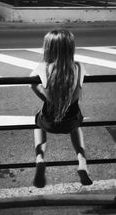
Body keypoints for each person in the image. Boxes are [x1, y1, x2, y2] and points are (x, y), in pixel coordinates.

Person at [30, 29, 93, 188]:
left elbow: (31, 83)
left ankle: (40, 159)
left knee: (37, 121)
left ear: (48, 48)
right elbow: (81, 84)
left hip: (48, 121)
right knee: (77, 123)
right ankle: (81, 161)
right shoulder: (79, 67)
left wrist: (46, 98)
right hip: (71, 121)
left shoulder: (42, 67)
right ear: (70, 48)